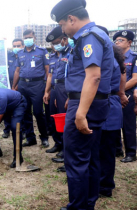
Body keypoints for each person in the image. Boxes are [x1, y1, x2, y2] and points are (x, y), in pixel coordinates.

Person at [51, 0, 114, 209]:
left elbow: (94, 77)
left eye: (62, 25)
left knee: (76, 158)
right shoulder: (94, 35)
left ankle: (78, 206)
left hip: (87, 107)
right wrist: (74, 96)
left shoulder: (89, 37)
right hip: (89, 102)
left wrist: (80, 113)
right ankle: (87, 203)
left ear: (71, 19)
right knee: (90, 156)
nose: (63, 30)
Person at [97, 25, 126, 198]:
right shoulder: (113, 56)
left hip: (106, 106)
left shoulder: (106, 59)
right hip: (111, 104)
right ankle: (104, 183)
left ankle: (105, 186)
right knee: (105, 150)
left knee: (105, 150)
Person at [11, 29, 50, 148]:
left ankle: (44, 137)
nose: (28, 39)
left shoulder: (42, 51)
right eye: (26, 38)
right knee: (25, 112)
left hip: (37, 85)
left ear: (34, 38)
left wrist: (48, 89)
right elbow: (17, 70)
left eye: (30, 37)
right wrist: (14, 86)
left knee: (38, 112)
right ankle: (30, 137)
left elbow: (48, 70)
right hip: (23, 85)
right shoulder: (20, 53)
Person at [44, 26, 71, 165]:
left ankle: (66, 149)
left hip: (65, 87)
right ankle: (58, 143)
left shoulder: (70, 53)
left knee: (63, 116)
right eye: (52, 44)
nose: (54, 46)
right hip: (55, 87)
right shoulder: (54, 57)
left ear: (64, 40)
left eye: (56, 42)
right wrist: (47, 91)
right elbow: (50, 75)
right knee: (54, 116)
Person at [113, 30, 137, 162]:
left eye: (120, 40)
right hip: (116, 95)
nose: (117, 42)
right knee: (114, 123)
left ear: (129, 42)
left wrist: (120, 91)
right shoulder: (114, 57)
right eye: (116, 40)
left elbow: (135, 79)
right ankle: (117, 149)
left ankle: (131, 152)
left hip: (128, 95)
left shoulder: (134, 57)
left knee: (128, 125)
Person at [2, 39, 24, 139]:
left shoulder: (24, 56)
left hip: (20, 85)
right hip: (8, 85)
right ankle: (7, 129)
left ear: (23, 46)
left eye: (18, 46)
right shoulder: (8, 56)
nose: (16, 48)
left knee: (19, 107)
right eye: (14, 46)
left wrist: (17, 85)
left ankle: (22, 130)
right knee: (6, 107)